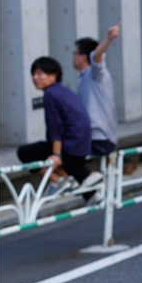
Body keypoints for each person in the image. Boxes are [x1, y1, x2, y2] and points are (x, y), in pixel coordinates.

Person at [18, 57, 102, 199]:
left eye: (39, 74)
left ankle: (58, 180)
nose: (35, 78)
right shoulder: (64, 91)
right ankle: (90, 191)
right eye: (33, 74)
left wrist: (56, 154)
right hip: (82, 145)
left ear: (53, 75)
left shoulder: (51, 94)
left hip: (70, 146)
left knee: (25, 153)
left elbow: (55, 127)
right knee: (72, 168)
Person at [73, 22, 120, 156]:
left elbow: (96, 57)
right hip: (89, 137)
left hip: (101, 139)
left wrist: (109, 39)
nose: (73, 57)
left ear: (82, 57)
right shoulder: (82, 78)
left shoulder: (96, 75)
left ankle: (89, 177)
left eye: (75, 53)